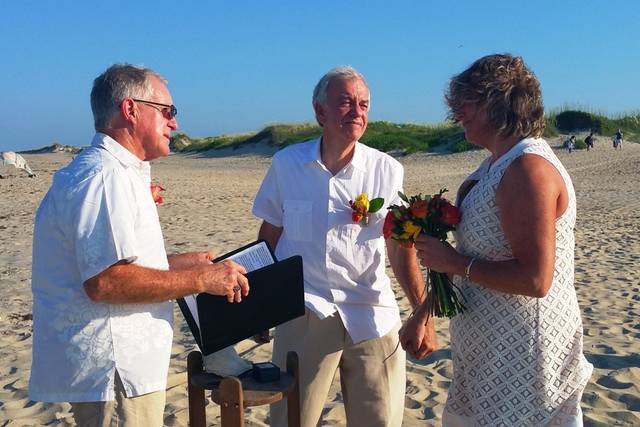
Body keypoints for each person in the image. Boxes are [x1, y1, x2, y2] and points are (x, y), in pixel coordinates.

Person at [29, 64, 250, 427]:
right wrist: (201, 281)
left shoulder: (115, 172)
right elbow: (106, 282)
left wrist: (183, 264)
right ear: (130, 110)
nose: (174, 123)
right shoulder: (105, 177)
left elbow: (112, 262)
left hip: (121, 369)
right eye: (167, 111)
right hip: (115, 370)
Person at [399, 54, 593, 426]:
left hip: (523, 353)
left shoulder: (528, 169)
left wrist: (452, 262)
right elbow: (471, 253)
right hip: (487, 346)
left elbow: (535, 280)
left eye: (466, 102)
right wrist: (423, 313)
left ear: (496, 102)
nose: (457, 112)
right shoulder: (495, 164)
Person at [252, 66, 436, 427]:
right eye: (346, 103)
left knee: (380, 420)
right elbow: (269, 234)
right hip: (304, 309)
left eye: (364, 104)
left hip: (371, 313)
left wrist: (420, 313)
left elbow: (400, 247)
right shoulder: (287, 164)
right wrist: (260, 305)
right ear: (319, 111)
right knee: (291, 419)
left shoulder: (386, 169)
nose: (357, 112)